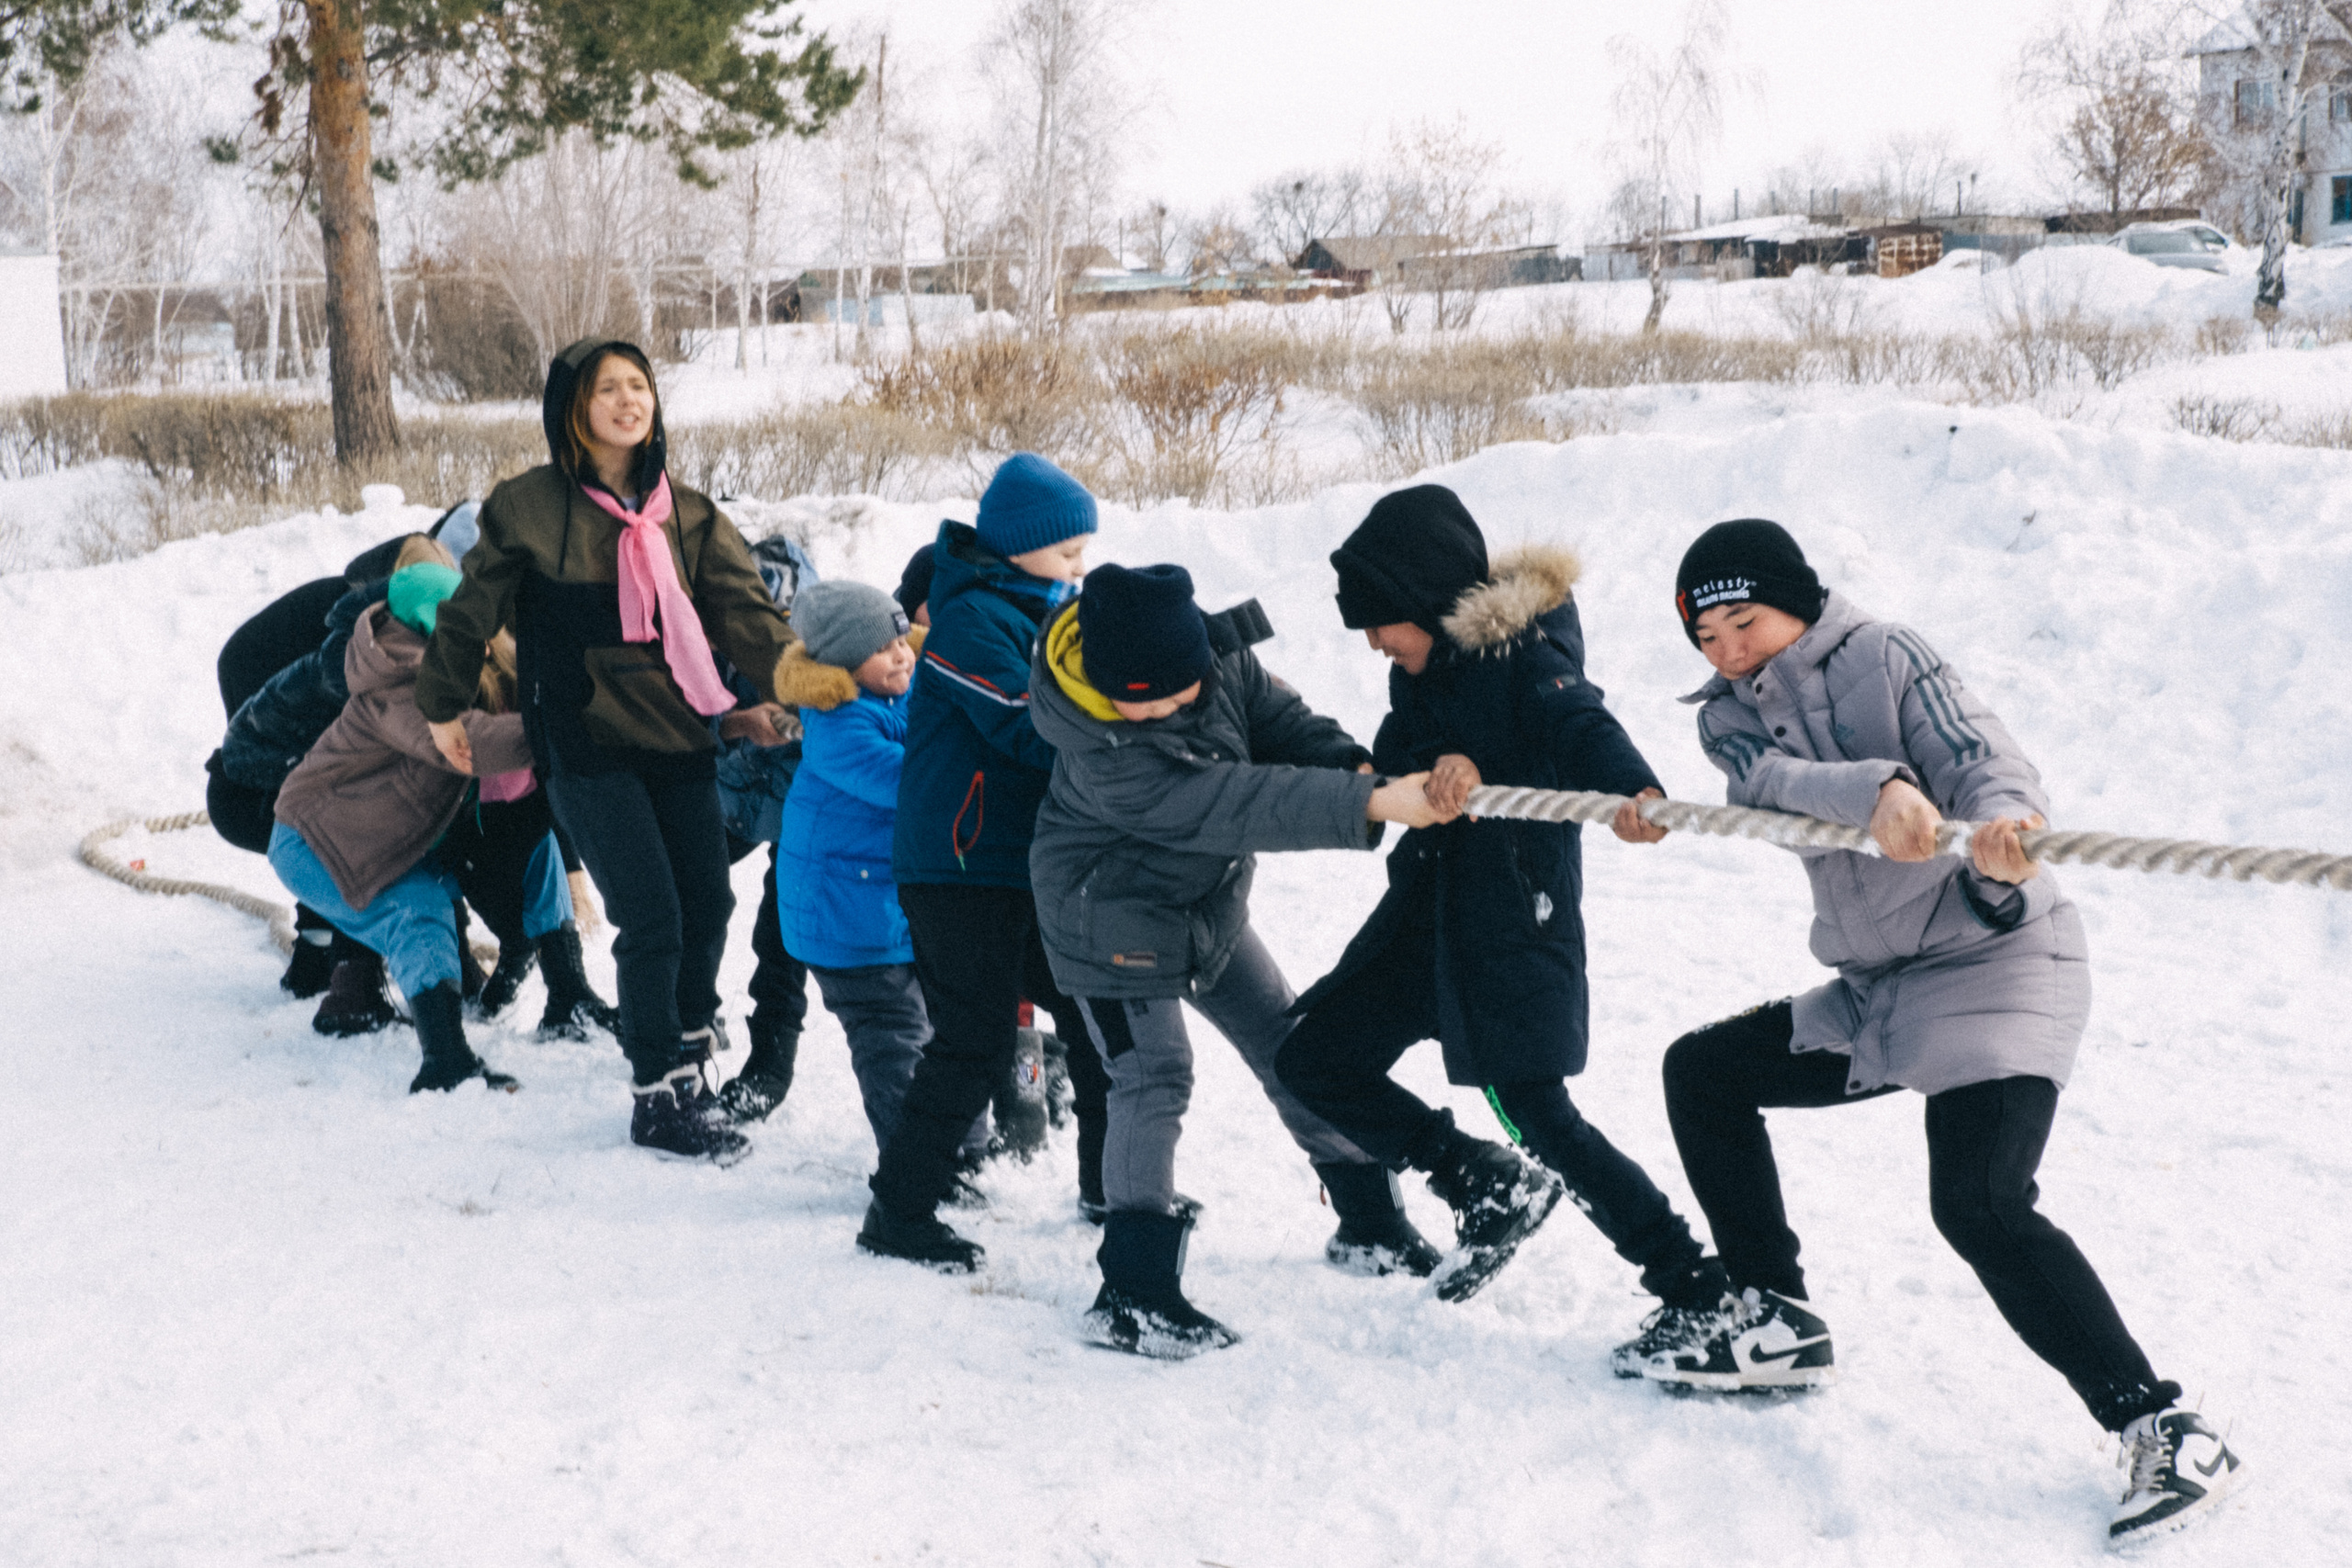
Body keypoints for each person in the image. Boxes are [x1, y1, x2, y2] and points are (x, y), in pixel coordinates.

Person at [1617, 519, 2240, 1549]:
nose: (1727, 650)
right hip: (1879, 989)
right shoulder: (1725, 718)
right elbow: (1762, 786)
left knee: (1980, 1203)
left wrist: (2002, 836)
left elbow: (1979, 756)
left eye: (1745, 620)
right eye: (1705, 634)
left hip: (1997, 965)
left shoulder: (1887, 655)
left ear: (1798, 604)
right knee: (1704, 1073)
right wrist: (1877, 790)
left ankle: (2162, 1426)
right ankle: (1774, 1317)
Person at [1275, 485, 1723, 1312]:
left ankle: (1692, 1281)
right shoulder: (1426, 670)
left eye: (1381, 622)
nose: (1373, 642)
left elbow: (1579, 722)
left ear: (1423, 599)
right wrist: (1445, 751)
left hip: (1512, 916)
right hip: (1427, 914)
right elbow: (1397, 746)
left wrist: (1635, 789)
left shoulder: (1524, 653)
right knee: (1315, 1060)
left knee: (1540, 1113)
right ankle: (1479, 1178)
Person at [1028, 562, 1444, 1356]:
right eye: (1147, 696)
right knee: (1153, 1076)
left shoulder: (1210, 660)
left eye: (1185, 687)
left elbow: (1274, 717)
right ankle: (1134, 1291)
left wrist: (1347, 763)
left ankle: (1370, 1220)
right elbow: (1240, 802)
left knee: (1290, 1042)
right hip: (1104, 917)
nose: (1175, 704)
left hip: (1200, 907)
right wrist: (1370, 804)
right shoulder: (1103, 753)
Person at [414, 339, 795, 1164]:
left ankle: (690, 1061)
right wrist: (443, 703)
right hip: (585, 741)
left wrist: (805, 678)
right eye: (607, 389)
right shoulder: (527, 507)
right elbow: (468, 611)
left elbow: (748, 617)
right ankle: (655, 1092)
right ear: (573, 411)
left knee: (707, 902)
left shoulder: (687, 515)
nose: (629, 401)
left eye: (639, 386)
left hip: (677, 731)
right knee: (651, 913)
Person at [855, 453, 1113, 1266]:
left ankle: (1116, 1186)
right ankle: (897, 1211)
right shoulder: (973, 620)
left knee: (1097, 1012)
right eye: (1068, 549)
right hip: (955, 870)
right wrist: (1124, 741)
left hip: (1020, 866)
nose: (1081, 563)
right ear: (1018, 546)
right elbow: (1020, 720)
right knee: (973, 1040)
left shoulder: (1049, 610)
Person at [266, 547, 527, 1094]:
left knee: (437, 895)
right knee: (415, 908)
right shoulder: (401, 685)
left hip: (369, 830)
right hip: (312, 837)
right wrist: (550, 731)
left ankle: (427, 1034)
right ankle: (445, 1060)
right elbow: (467, 744)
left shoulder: (435, 659)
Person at [770, 581, 994, 1167]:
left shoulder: (903, 693)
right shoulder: (840, 728)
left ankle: (965, 1148)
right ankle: (913, 1163)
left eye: (903, 640)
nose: (901, 654)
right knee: (892, 1042)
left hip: (886, 909)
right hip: (843, 920)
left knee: (943, 1025)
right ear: (843, 663)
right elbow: (917, 783)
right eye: (882, 648)